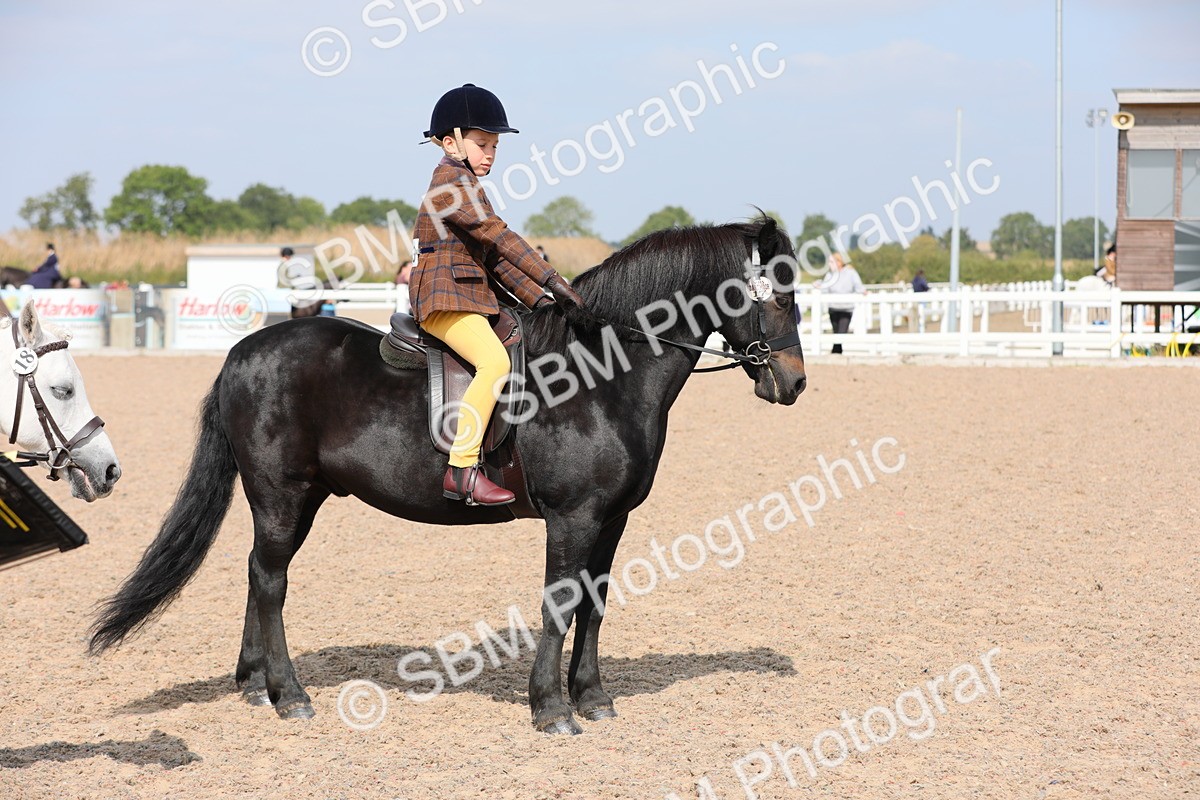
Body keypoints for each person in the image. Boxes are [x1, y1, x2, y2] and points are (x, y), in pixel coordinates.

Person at [410, 83, 584, 506]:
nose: (490, 152)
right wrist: (554, 279)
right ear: (450, 142)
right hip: (444, 298)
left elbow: (494, 261)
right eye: (482, 143)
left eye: (494, 145)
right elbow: (497, 235)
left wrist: (542, 302)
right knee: (494, 362)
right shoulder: (450, 182)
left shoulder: (467, 181)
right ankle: (463, 470)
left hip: (466, 294)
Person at [814, 252, 864, 354]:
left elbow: (858, 285)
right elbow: (825, 288)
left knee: (841, 333)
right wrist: (819, 285)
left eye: (831, 262)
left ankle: (835, 352)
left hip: (846, 308)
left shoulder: (851, 273)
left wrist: (863, 291)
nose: (829, 264)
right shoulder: (830, 275)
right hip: (833, 308)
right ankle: (836, 352)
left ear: (839, 262)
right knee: (836, 332)